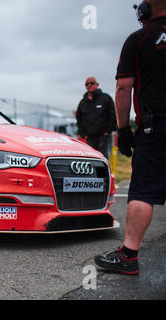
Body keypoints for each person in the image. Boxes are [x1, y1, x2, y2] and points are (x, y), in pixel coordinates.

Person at [94, 0, 166, 275]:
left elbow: (124, 87)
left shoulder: (138, 39)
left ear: (144, 11)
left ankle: (129, 256)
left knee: (143, 192)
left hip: (154, 127)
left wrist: (123, 129)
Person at [75, 76, 117, 159]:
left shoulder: (105, 98)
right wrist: (82, 133)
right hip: (89, 137)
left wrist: (108, 131)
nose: (89, 85)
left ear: (97, 85)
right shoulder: (83, 102)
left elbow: (113, 115)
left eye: (92, 83)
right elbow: (79, 118)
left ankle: (104, 172)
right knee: (90, 158)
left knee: (102, 157)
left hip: (103, 136)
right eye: (87, 84)